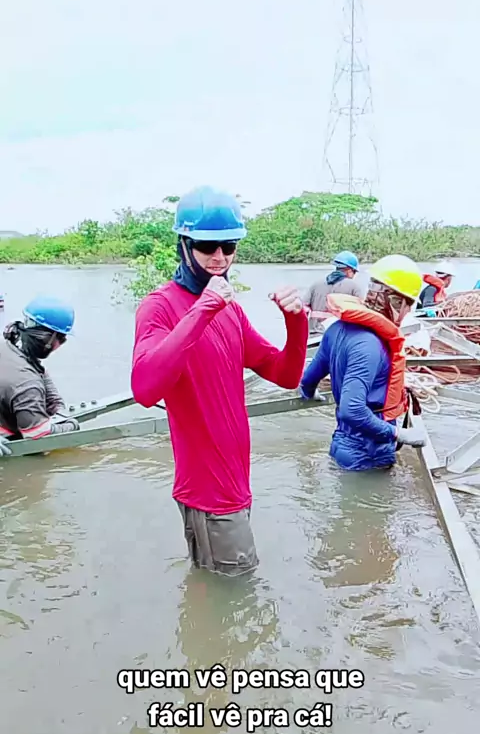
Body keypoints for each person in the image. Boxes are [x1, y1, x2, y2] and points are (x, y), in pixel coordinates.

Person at [131, 185, 308, 577]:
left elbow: (285, 374)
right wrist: (204, 307)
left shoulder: (231, 311)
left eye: (229, 247)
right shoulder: (159, 307)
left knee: (217, 588)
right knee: (237, 590)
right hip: (208, 493)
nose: (219, 257)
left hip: (236, 483)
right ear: (184, 245)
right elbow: (144, 389)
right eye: (207, 246)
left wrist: (296, 321)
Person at [299, 254, 427, 471]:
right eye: (408, 306)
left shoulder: (336, 329)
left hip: (342, 445)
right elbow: (352, 409)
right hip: (367, 454)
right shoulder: (370, 346)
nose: (407, 313)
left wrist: (310, 393)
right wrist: (399, 433)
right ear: (396, 302)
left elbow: (308, 380)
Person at [0, 295, 80, 457]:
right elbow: (37, 436)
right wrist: (72, 425)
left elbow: (38, 372)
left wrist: (57, 406)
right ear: (49, 340)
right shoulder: (27, 383)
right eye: (62, 339)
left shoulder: (8, 348)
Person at [303, 250, 365, 334]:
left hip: (313, 334)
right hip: (339, 335)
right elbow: (362, 313)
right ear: (349, 270)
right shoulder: (354, 286)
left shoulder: (316, 284)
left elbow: (302, 309)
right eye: (354, 272)